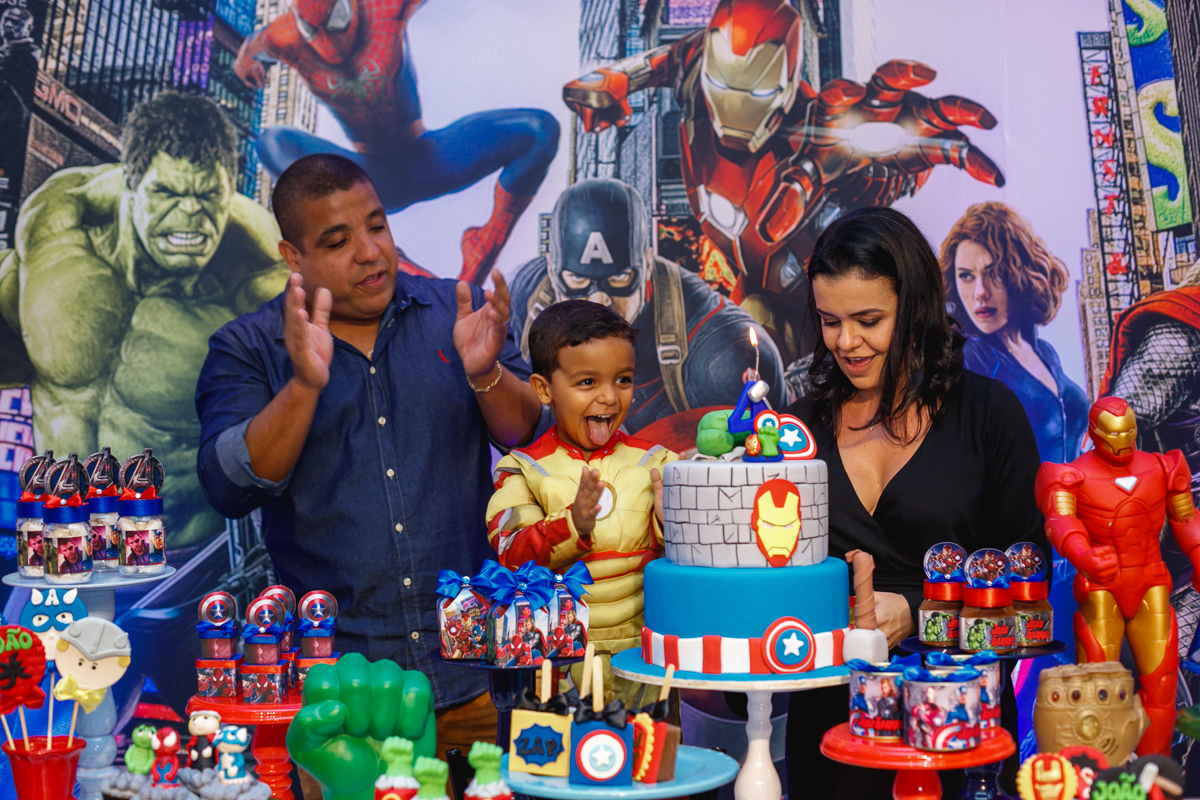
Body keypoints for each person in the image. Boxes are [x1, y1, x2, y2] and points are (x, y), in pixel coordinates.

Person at [195, 153, 543, 768]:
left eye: (377, 225)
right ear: (293, 256)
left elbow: (527, 435)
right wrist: (304, 386)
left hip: (477, 676)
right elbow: (228, 485)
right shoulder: (248, 347)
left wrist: (486, 372)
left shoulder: (454, 310)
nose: (370, 251)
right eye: (338, 241)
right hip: (342, 696)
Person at [783, 206, 1047, 798]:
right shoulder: (795, 431)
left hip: (958, 725)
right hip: (830, 728)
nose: (846, 342)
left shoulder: (990, 415)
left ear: (917, 307)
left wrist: (919, 612)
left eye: (869, 320)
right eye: (829, 321)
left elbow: (1029, 594)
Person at [486, 300, 678, 706]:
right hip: (557, 671)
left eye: (623, 379)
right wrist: (572, 524)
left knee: (649, 747)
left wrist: (671, 526)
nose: (609, 397)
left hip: (645, 666)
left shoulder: (658, 462)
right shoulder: (521, 469)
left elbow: (696, 563)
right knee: (563, 750)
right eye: (588, 382)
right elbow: (510, 552)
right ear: (543, 389)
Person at [508, 178, 786, 450]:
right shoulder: (527, 296)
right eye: (577, 281)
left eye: (619, 279)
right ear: (552, 270)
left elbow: (770, 456)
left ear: (647, 264)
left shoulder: (721, 358)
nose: (599, 300)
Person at [939, 202, 1087, 464]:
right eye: (966, 276)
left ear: (1020, 272)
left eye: (993, 273)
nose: (980, 292)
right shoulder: (971, 357)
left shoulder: (1046, 353)